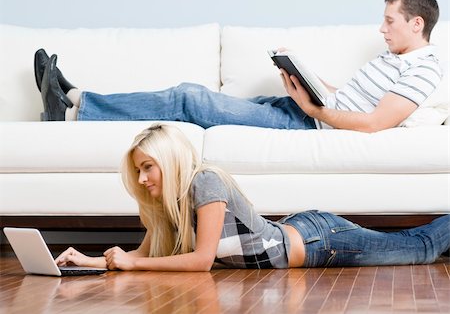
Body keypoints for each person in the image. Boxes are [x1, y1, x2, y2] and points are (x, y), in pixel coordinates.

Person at [35, 0, 443, 132]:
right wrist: (309, 80)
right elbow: (352, 97)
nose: (382, 28)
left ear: (416, 23)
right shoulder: (391, 57)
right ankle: (75, 99)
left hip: (308, 124)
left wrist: (310, 108)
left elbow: (374, 123)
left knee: (188, 98)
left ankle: (74, 110)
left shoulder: (424, 67)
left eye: (390, 21)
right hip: (303, 111)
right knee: (190, 104)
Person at [55, 123, 450, 271]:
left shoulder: (204, 181)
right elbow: (143, 253)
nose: (141, 179)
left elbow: (201, 260)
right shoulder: (169, 203)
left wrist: (132, 267)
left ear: (171, 162)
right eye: (138, 169)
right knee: (416, 247)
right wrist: (88, 261)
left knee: (418, 248)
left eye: (148, 167)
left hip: (319, 243)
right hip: (299, 231)